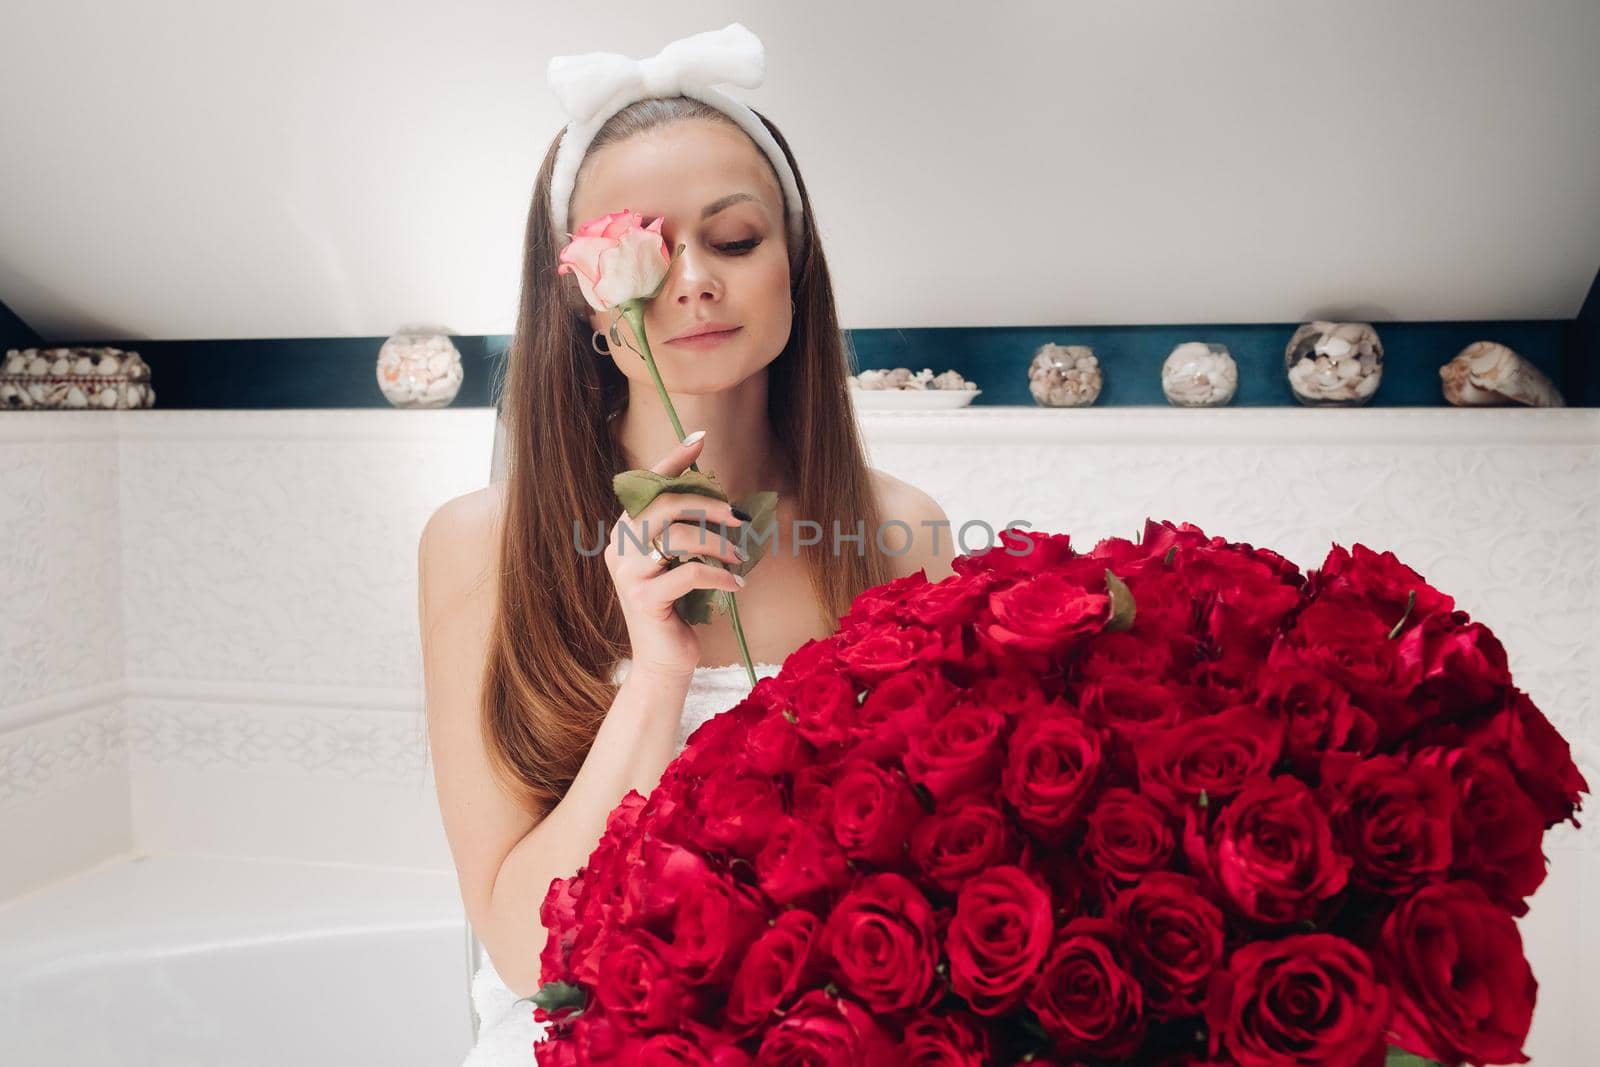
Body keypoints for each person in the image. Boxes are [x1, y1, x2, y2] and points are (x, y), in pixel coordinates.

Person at [416, 22, 956, 1065]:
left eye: (736, 239)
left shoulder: (898, 532)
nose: (694, 280)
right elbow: (531, 957)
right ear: (579, 295)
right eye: (648, 249)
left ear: (793, 262)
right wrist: (654, 674)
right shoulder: (478, 545)